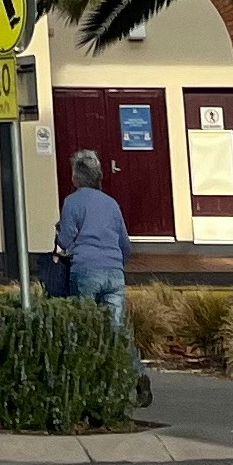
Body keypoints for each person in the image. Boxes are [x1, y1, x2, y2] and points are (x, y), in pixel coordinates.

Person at [57, 149, 132, 348]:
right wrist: (118, 263)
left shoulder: (71, 202)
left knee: (85, 326)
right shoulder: (112, 203)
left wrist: (60, 237)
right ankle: (126, 370)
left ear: (75, 177)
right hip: (115, 271)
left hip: (85, 269)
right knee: (116, 331)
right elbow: (124, 243)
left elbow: (65, 240)